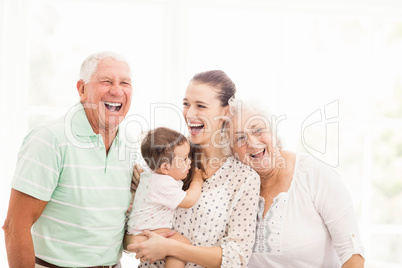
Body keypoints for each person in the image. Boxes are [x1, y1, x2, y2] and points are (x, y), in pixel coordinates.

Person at [2, 51, 135, 268]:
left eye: (125, 83)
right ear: (82, 89)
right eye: (107, 81)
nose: (117, 90)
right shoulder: (50, 138)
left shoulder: (131, 145)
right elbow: (15, 226)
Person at [125, 70, 261, 267]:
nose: (189, 114)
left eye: (201, 106)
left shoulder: (243, 178)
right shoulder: (164, 160)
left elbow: (236, 257)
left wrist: (171, 248)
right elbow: (128, 236)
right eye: (186, 104)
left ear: (226, 112)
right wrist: (135, 240)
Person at [227, 102, 365, 268]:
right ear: (232, 151)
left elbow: (353, 255)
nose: (253, 142)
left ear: (273, 131)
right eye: (240, 138)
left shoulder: (314, 174)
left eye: (258, 130)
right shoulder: (236, 188)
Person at [127, 127, 206, 268]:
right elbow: (188, 200)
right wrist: (197, 181)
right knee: (181, 244)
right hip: (147, 231)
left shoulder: (150, 175)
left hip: (139, 228)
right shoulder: (163, 182)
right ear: (165, 167)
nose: (189, 162)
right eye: (184, 159)